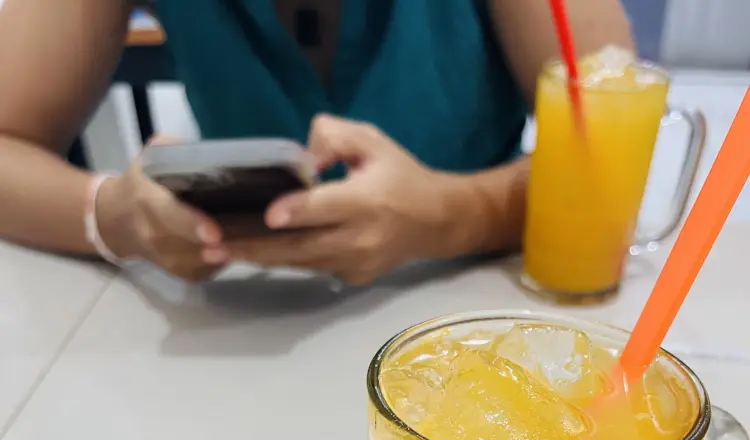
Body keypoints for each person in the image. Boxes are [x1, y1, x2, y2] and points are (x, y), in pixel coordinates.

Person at [0, 0, 633, 285]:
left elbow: (616, 159)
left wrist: (456, 216)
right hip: (239, 332)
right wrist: (115, 215)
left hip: (490, 317)